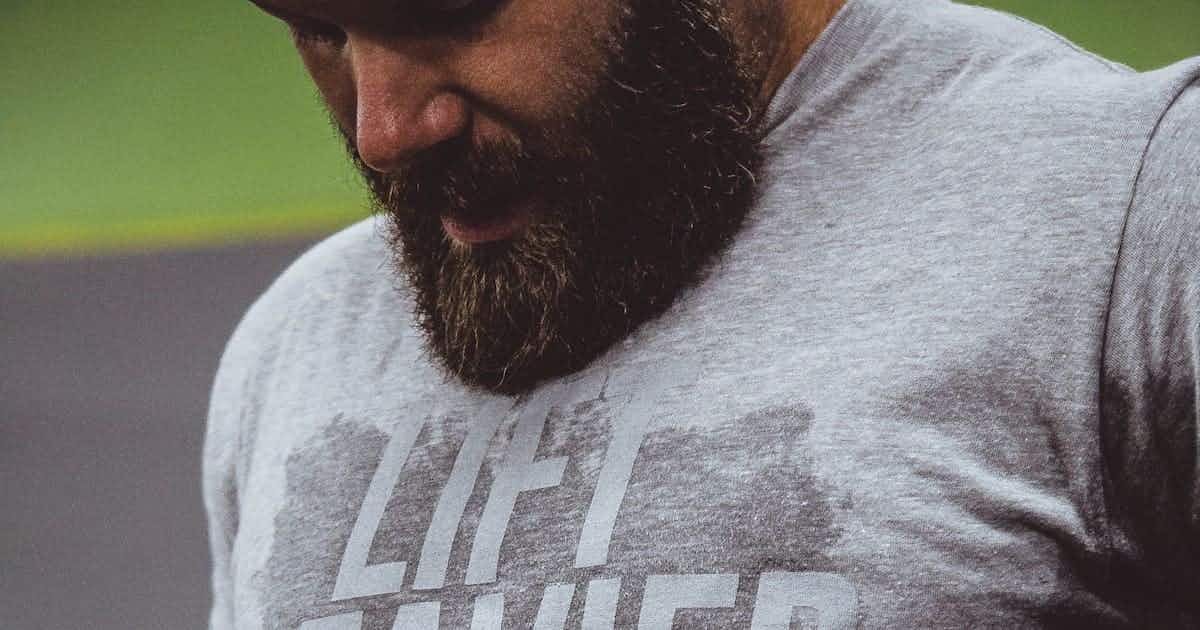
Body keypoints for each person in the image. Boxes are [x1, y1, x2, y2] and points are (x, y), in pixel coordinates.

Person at [203, 0, 1200, 627]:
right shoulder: (299, 340)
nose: (383, 133)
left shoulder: (1136, 205)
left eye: (448, 14)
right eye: (319, 29)